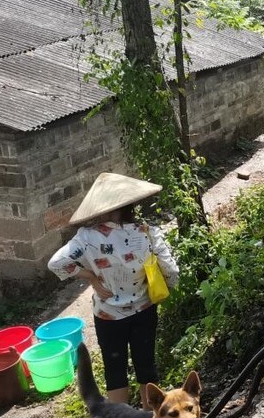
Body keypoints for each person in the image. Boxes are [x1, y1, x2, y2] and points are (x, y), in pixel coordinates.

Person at [48, 173, 179, 405]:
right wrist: (162, 287)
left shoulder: (86, 238)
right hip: (144, 310)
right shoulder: (147, 232)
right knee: (146, 366)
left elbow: (56, 264)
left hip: (108, 315)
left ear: (100, 208)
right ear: (129, 205)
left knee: (115, 371)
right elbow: (172, 272)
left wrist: (91, 277)